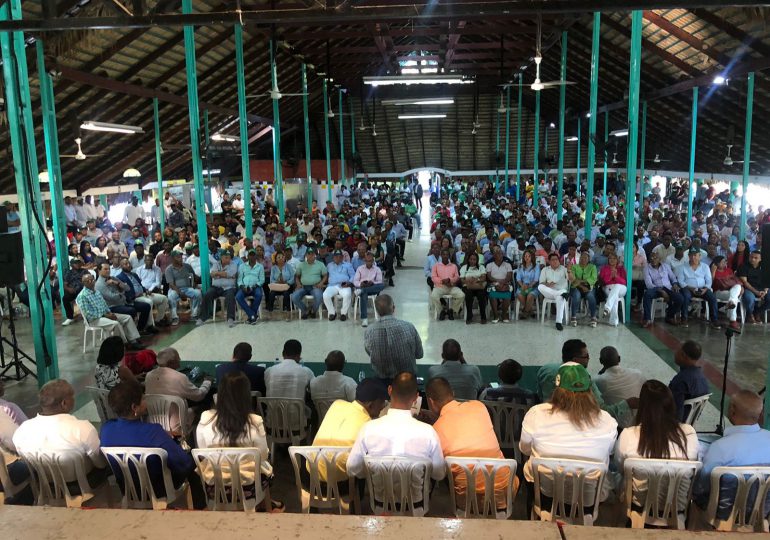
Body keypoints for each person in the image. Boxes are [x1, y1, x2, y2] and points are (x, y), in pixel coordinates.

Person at [520, 364, 618, 504]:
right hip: (588, 499)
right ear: (590, 388)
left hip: (546, 494)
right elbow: (609, 452)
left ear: (557, 387)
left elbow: (525, 448)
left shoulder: (536, 414)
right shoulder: (608, 421)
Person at [100, 381, 206, 510]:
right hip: (159, 490)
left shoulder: (106, 429)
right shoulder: (153, 432)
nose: (145, 400)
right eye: (143, 398)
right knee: (192, 462)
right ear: (135, 407)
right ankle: (201, 508)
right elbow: (184, 464)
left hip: (127, 488)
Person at [346, 372, 446, 503]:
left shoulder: (368, 429)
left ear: (389, 390)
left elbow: (352, 468)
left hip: (380, 504)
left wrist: (372, 470)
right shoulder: (429, 432)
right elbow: (439, 474)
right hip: (416, 506)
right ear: (416, 397)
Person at [195, 372, 280, 511]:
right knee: (265, 466)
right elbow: (263, 455)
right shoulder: (254, 421)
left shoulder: (205, 419)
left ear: (220, 395)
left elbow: (202, 452)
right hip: (248, 485)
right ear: (246, 396)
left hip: (214, 485)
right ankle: (266, 504)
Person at [427, 377, 512, 506]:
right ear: (453, 393)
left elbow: (438, 474)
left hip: (467, 502)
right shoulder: (479, 406)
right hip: (505, 494)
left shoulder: (435, 430)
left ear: (431, 402)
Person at [614, 380, 698, 510]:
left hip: (639, 506)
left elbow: (621, 468)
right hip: (677, 506)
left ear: (642, 406)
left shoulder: (628, 435)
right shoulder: (689, 433)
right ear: (671, 405)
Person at [693, 390, 770, 519]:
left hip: (723, 515)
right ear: (760, 414)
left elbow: (700, 487)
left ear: (732, 410)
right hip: (764, 514)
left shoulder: (720, 447)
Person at [13, 380, 108, 483]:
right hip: (81, 484)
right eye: (72, 397)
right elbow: (101, 463)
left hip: (45, 484)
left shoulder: (21, 431)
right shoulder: (83, 428)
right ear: (64, 403)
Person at [537, 339, 636, 424]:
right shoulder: (586, 381)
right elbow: (602, 411)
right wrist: (626, 404)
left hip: (544, 418)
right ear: (575, 360)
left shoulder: (545, 370)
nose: (589, 358)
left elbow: (539, 396)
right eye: (586, 356)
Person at [311, 378, 389, 481]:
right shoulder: (368, 425)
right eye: (382, 402)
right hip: (339, 486)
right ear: (370, 405)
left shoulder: (337, 404)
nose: (384, 406)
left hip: (311, 477)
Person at [145, 348, 213, 430]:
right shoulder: (179, 377)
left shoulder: (148, 375)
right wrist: (207, 382)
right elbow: (199, 396)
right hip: (176, 425)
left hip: (154, 421)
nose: (180, 360)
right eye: (178, 359)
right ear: (171, 362)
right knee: (204, 403)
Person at [76, 273, 144, 350]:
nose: (90, 281)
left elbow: (104, 305)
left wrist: (109, 313)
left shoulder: (97, 292)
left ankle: (133, 340)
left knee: (127, 317)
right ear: (83, 283)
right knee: (115, 323)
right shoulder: (82, 296)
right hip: (94, 319)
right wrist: (105, 315)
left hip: (105, 315)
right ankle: (124, 343)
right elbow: (88, 314)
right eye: (87, 281)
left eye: (92, 279)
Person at [364, 294, 423, 382]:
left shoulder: (369, 331)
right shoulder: (409, 327)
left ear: (376, 311)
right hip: (407, 380)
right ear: (394, 308)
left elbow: (371, 354)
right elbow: (419, 354)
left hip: (382, 381)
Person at [96, 262, 154, 333]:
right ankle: (130, 332)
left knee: (146, 306)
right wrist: (122, 293)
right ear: (99, 271)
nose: (108, 271)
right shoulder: (99, 284)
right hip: (113, 307)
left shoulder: (113, 278)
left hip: (124, 302)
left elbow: (127, 288)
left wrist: (116, 283)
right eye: (105, 269)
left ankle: (140, 329)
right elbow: (113, 297)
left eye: (109, 269)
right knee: (131, 310)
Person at [117, 258, 170, 328]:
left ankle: (158, 320)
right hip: (135, 298)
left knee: (164, 298)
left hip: (144, 294)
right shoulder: (119, 277)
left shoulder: (134, 274)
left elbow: (140, 285)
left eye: (129, 263)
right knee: (149, 302)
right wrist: (134, 296)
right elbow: (123, 292)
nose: (128, 265)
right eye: (125, 264)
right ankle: (150, 325)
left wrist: (146, 290)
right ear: (121, 266)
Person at [676, 248, 722, 329]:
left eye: (695, 255)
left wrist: (706, 289)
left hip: (702, 289)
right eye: (691, 255)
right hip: (688, 288)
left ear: (699, 256)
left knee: (712, 297)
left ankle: (714, 320)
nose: (693, 257)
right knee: (685, 296)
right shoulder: (682, 267)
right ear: (688, 256)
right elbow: (681, 282)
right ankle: (684, 318)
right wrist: (692, 289)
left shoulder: (705, 266)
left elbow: (709, 280)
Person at [668, 340, 710, 422]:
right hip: (690, 423)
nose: (674, 353)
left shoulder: (681, 380)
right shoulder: (702, 377)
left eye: (677, 351)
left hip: (676, 426)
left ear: (683, 355)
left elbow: (675, 413)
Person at [197, 250, 239, 328]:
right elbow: (212, 274)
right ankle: (202, 318)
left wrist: (218, 273)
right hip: (216, 287)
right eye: (226, 257)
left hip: (229, 287)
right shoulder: (216, 264)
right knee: (207, 294)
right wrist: (225, 275)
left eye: (229, 258)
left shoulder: (233, 264)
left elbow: (230, 274)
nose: (228, 259)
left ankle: (230, 318)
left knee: (230, 296)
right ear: (221, 258)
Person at [642, 251, 683, 328]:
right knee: (647, 294)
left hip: (668, 287)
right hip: (655, 288)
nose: (653, 259)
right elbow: (649, 284)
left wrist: (674, 284)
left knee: (680, 298)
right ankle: (647, 319)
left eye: (655, 258)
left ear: (660, 259)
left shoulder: (666, 266)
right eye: (651, 258)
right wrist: (661, 291)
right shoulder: (646, 269)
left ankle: (670, 316)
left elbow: (673, 277)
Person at [291, 248, 328, 319]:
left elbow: (325, 275)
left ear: (315, 255)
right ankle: (306, 310)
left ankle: (313, 311)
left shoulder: (320, 264)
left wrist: (321, 283)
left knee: (319, 296)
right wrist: (298, 283)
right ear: (306, 255)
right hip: (303, 287)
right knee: (294, 297)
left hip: (315, 287)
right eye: (309, 254)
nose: (311, 256)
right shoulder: (301, 265)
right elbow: (297, 276)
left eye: (312, 254)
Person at [430, 248, 465, 321]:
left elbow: (457, 277)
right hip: (440, 286)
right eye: (443, 254)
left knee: (461, 295)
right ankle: (441, 311)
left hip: (451, 286)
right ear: (441, 255)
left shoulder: (453, 266)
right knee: (433, 296)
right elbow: (433, 277)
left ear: (449, 256)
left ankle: (452, 310)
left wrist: (450, 280)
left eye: (447, 254)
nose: (445, 256)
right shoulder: (436, 266)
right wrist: (442, 281)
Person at [710, 255, 743, 330]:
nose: (725, 263)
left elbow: (736, 280)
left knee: (737, 287)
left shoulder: (729, 270)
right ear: (717, 263)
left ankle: (731, 314)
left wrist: (742, 287)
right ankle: (732, 320)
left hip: (730, 291)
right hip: (718, 292)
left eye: (725, 261)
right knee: (734, 297)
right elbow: (710, 284)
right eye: (723, 261)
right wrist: (713, 272)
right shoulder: (713, 270)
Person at [538, 253, 570, 331]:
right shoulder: (545, 269)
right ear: (549, 261)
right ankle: (560, 294)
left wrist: (569, 270)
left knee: (560, 297)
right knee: (540, 287)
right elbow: (541, 282)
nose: (555, 261)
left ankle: (558, 322)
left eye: (556, 259)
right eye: (553, 260)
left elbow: (571, 279)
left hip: (561, 290)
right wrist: (547, 284)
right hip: (549, 292)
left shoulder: (564, 269)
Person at [353, 251, 385, 327]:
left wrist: (373, 283)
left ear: (373, 261)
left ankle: (361, 291)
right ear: (364, 260)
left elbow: (379, 281)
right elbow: (355, 281)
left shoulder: (377, 269)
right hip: (362, 286)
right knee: (364, 294)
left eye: (370, 261)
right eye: (367, 261)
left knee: (382, 285)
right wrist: (361, 284)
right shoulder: (360, 268)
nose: (368, 263)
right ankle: (364, 319)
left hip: (373, 288)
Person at [737, 250, 769, 324]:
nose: (753, 259)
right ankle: (749, 314)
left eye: (756, 258)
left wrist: (765, 291)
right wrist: (756, 292)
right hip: (748, 288)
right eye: (751, 257)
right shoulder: (743, 266)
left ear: (760, 259)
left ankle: (757, 312)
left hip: (762, 288)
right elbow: (745, 282)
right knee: (750, 299)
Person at [323, 250, 355, 321]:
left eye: (339, 256)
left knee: (347, 295)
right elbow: (325, 275)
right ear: (333, 257)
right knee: (325, 295)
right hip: (332, 285)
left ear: (342, 257)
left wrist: (349, 283)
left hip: (344, 285)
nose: (338, 258)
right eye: (336, 256)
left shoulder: (348, 265)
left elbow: (353, 276)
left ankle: (343, 313)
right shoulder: (329, 265)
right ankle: (332, 312)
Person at [568, 250, 598, 327]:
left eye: (585, 258)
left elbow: (593, 279)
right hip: (576, 287)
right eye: (581, 257)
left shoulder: (592, 267)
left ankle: (593, 317)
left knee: (591, 296)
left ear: (588, 259)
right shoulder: (575, 266)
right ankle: (573, 316)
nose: (583, 259)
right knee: (577, 296)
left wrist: (581, 281)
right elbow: (573, 279)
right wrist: (582, 285)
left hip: (589, 287)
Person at [598, 253, 627, 327]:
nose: (612, 260)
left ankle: (607, 307)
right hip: (608, 287)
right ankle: (613, 321)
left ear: (617, 260)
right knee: (615, 296)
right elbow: (602, 282)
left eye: (614, 258)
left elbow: (624, 282)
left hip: (621, 288)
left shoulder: (621, 268)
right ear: (608, 260)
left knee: (616, 287)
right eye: (610, 258)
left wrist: (616, 276)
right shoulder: (604, 268)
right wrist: (610, 277)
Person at [236, 249, 265, 325]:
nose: (252, 257)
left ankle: (251, 316)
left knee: (259, 295)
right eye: (250, 255)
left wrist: (254, 287)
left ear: (256, 256)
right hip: (244, 287)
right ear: (247, 256)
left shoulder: (260, 266)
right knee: (238, 297)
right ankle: (252, 314)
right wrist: (242, 287)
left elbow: (262, 280)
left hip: (255, 287)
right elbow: (239, 279)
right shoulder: (242, 266)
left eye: (253, 255)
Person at [486, 247, 513, 323]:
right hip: (493, 283)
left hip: (505, 282)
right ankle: (496, 315)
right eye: (497, 254)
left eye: (501, 254)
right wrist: (497, 282)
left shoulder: (507, 265)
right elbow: (489, 276)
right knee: (492, 293)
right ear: (494, 255)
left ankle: (504, 314)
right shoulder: (489, 265)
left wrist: (503, 283)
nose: (500, 255)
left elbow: (509, 276)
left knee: (508, 292)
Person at [459, 251, 487, 324]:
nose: (472, 261)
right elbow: (462, 280)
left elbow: (484, 277)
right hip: (467, 287)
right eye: (471, 259)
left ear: (477, 260)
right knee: (468, 295)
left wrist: (476, 280)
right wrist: (468, 281)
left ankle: (483, 316)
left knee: (481, 296)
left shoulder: (481, 267)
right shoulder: (464, 267)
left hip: (478, 286)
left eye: (474, 259)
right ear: (468, 259)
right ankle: (469, 315)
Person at [61, 257, 90, 326]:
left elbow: (90, 279)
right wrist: (69, 289)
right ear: (71, 264)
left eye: (78, 262)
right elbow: (65, 284)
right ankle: (70, 317)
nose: (77, 264)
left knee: (87, 297)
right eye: (75, 263)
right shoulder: (68, 272)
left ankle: (87, 317)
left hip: (84, 290)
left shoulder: (84, 271)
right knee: (65, 298)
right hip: (74, 290)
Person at [515, 250, 541, 320]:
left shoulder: (536, 266)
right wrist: (522, 285)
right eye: (525, 256)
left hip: (533, 286)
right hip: (522, 286)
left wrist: (529, 285)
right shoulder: (520, 266)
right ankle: (530, 310)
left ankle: (525, 312)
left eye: (529, 256)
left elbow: (536, 279)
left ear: (532, 257)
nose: (527, 258)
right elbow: (518, 278)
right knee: (519, 295)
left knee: (530, 295)